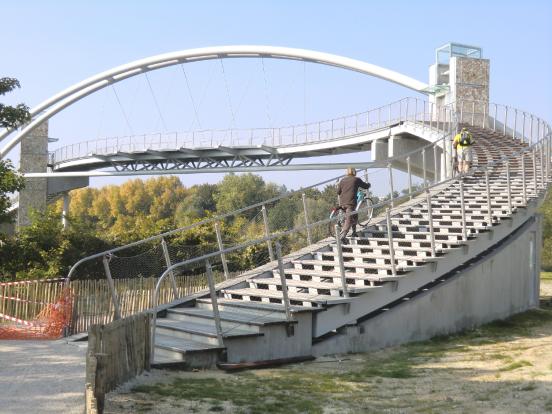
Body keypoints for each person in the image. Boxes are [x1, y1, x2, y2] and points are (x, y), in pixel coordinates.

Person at [337, 167, 371, 244]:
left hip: (342, 203)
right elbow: (365, 186)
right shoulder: (356, 179)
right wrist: (369, 184)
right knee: (348, 220)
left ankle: (354, 232)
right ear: (354, 172)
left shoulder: (342, 180)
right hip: (350, 203)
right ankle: (343, 236)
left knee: (354, 214)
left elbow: (338, 192)